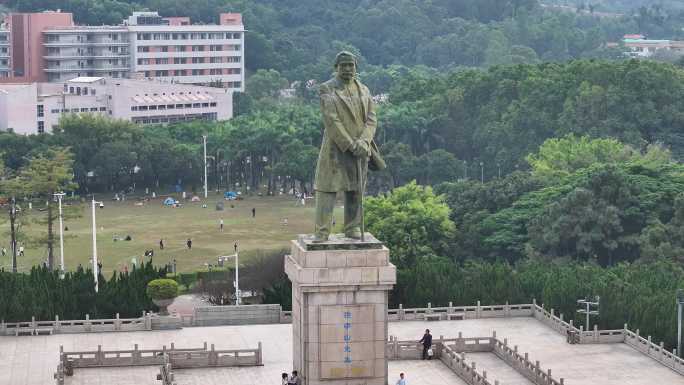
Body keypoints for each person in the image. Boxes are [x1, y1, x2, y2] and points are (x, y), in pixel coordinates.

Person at [313, 51, 385, 242]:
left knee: (356, 189)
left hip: (361, 148)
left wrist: (364, 141)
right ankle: (322, 231)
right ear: (335, 67)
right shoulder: (326, 89)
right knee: (327, 188)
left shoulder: (364, 90)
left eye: (350, 65)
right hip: (336, 148)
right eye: (343, 65)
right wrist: (350, 144)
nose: (347, 69)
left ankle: (352, 227)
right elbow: (332, 120)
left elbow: (371, 119)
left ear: (356, 67)